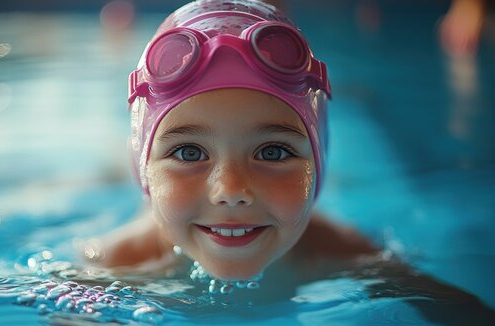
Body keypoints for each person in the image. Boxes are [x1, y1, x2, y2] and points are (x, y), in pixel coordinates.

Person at [80, 0, 377, 283]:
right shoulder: (113, 265)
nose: (231, 191)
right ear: (144, 171)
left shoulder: (349, 252)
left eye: (272, 153)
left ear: (318, 163)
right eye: (189, 153)